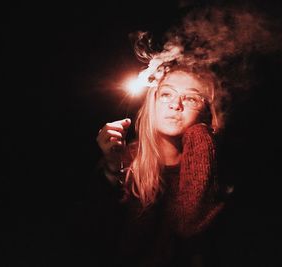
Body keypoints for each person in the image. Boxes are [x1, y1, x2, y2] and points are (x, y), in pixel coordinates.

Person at [73, 61, 230, 267]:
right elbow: (95, 239)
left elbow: (190, 229)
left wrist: (201, 136)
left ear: (206, 112)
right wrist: (112, 169)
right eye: (166, 94)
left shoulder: (216, 170)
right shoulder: (124, 161)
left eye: (191, 98)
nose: (176, 105)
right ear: (152, 102)